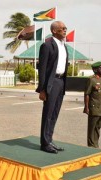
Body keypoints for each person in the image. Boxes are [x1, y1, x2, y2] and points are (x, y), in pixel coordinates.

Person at [36, 21, 69, 154]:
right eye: (63, 28)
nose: (65, 30)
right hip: (52, 82)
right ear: (54, 31)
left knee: (55, 113)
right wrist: (42, 89)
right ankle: (44, 143)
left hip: (61, 82)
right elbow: (42, 69)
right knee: (48, 113)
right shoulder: (47, 45)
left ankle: (49, 140)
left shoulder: (64, 46)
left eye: (66, 28)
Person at [83, 61, 101, 148]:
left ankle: (95, 144)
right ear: (95, 70)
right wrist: (86, 107)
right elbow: (87, 94)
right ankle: (91, 145)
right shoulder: (91, 80)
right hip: (94, 108)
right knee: (91, 128)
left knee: (97, 127)